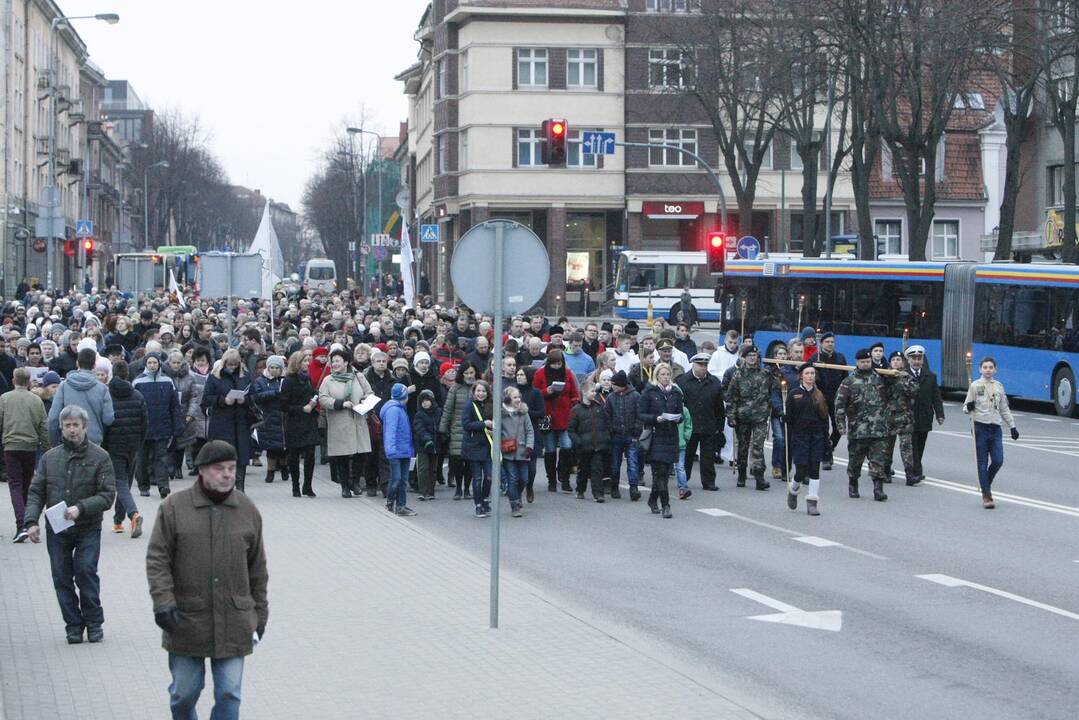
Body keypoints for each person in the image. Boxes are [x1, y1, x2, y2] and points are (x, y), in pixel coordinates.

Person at [145, 440, 268, 720]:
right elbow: (157, 560)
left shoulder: (246, 510)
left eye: (232, 468)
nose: (227, 474)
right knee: (184, 693)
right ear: (201, 470)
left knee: (229, 693)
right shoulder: (174, 507)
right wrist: (163, 601)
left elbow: (258, 569)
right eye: (219, 469)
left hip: (234, 619)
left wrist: (260, 614)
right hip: (186, 618)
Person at [22, 405, 116, 643]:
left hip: (88, 527)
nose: (72, 430)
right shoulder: (49, 458)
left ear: (85, 427)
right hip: (58, 530)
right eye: (67, 426)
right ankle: (73, 625)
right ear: (61, 428)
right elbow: (35, 492)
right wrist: (31, 521)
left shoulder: (100, 457)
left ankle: (94, 622)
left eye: (76, 425)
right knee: (61, 578)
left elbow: (107, 495)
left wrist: (80, 508)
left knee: (85, 571)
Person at [1, 368, 50, 542]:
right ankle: (27, 522)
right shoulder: (36, 400)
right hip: (30, 447)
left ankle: (21, 525)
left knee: (14, 484)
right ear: (29, 382)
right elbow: (44, 427)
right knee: (26, 485)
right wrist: (46, 451)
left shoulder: (5, 399)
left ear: (13, 380)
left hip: (11, 446)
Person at [835, 348, 890, 502]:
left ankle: (878, 489)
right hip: (858, 429)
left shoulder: (880, 378)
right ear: (857, 363)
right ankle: (853, 483)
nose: (866, 364)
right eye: (862, 362)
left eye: (868, 361)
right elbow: (839, 404)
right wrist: (841, 425)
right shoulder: (849, 382)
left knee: (878, 460)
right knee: (855, 460)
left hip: (878, 429)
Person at [963, 357, 1018, 509]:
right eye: (985, 367)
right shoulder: (974, 385)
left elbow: (1004, 408)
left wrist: (1012, 426)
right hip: (980, 426)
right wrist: (969, 406)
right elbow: (966, 408)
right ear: (980, 369)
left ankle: (986, 482)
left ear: (995, 370)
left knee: (998, 460)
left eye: (990, 367)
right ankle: (987, 495)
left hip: (995, 428)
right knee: (982, 462)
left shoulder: (998, 386)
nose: (988, 370)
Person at [318, 348, 374, 498]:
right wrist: (340, 403)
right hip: (339, 422)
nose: (334, 364)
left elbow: (369, 393)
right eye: (333, 361)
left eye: (338, 361)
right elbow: (323, 399)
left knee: (360, 454)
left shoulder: (358, 376)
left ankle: (354, 482)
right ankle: (344, 486)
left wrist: (364, 401)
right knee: (341, 455)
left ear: (346, 362)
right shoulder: (328, 380)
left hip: (358, 420)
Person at [201, 349, 254, 493]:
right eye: (230, 364)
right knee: (223, 454)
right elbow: (206, 399)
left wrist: (245, 399)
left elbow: (254, 396)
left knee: (241, 455)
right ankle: (222, 486)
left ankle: (240, 486)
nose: (232, 367)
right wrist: (223, 400)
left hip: (241, 421)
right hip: (221, 422)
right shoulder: (214, 377)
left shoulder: (245, 376)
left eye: (235, 364)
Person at [133, 351, 184, 498]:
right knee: (142, 458)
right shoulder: (138, 382)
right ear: (145, 364)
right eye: (149, 362)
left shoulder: (168, 381)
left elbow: (174, 405)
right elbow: (135, 406)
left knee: (161, 457)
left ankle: (163, 486)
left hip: (163, 425)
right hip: (144, 428)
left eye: (155, 362)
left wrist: (177, 424)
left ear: (159, 364)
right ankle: (144, 485)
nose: (152, 365)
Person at [105, 361, 146, 537]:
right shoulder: (137, 395)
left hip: (114, 445)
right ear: (127, 374)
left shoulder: (107, 394)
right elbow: (145, 422)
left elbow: (105, 421)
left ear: (112, 374)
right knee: (126, 483)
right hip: (133, 445)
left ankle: (133, 514)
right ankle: (118, 521)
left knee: (119, 482)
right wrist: (139, 443)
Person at [725, 345, 773, 490]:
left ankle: (759, 477)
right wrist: (731, 416)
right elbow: (731, 397)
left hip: (760, 417)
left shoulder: (765, 374)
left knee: (758, 447)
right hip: (743, 416)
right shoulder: (738, 375)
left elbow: (771, 392)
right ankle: (741, 475)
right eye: (750, 355)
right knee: (743, 447)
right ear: (744, 358)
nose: (752, 358)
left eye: (755, 355)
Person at [784, 363, 830, 516]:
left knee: (814, 470)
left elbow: (824, 419)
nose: (810, 376)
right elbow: (789, 419)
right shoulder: (794, 394)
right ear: (801, 376)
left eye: (812, 373)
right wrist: (785, 420)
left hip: (816, 437)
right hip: (800, 437)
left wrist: (826, 441)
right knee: (801, 471)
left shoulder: (820, 395)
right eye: (807, 373)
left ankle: (812, 503)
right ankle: (794, 489)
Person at [676, 353, 725, 492]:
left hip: (708, 424)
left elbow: (719, 407)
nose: (703, 368)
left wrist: (719, 427)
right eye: (700, 365)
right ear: (693, 364)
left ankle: (709, 482)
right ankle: (684, 480)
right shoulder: (683, 381)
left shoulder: (714, 382)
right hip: (689, 426)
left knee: (708, 456)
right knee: (687, 455)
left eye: (705, 365)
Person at [638, 363, 682, 518]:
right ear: (657, 376)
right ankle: (666, 505)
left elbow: (680, 413)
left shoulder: (676, 392)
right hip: (656, 435)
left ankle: (652, 499)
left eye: (668, 374)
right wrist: (655, 418)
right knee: (660, 472)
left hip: (671, 436)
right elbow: (641, 414)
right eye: (663, 374)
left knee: (662, 474)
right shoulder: (650, 392)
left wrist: (678, 418)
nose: (666, 377)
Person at [533, 348, 580, 493]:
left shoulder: (567, 374)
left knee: (566, 446)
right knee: (550, 449)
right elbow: (535, 393)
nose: (556, 366)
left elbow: (575, 394)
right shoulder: (540, 373)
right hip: (548, 415)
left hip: (565, 415)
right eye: (553, 364)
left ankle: (564, 478)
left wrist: (573, 404)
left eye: (559, 363)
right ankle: (551, 480)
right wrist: (546, 392)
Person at [47, 348, 115, 446]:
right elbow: (108, 419)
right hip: (93, 441)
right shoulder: (103, 389)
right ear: (94, 365)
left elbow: (53, 418)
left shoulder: (64, 386)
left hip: (69, 439)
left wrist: (53, 443)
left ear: (77, 363)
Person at [281, 351, 320, 497]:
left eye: (307, 361)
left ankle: (307, 485)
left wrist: (314, 400)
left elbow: (311, 393)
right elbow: (284, 405)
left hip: (309, 421)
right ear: (297, 363)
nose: (307, 363)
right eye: (304, 361)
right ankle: (295, 486)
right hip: (294, 422)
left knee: (310, 454)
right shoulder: (288, 380)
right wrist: (301, 408)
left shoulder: (307, 378)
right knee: (294, 456)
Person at [807, 332, 848, 470]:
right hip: (821, 399)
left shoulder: (840, 358)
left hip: (837, 398)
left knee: (838, 428)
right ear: (822, 343)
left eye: (832, 342)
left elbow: (845, 378)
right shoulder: (815, 358)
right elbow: (810, 377)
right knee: (823, 429)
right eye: (827, 342)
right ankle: (826, 457)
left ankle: (830, 446)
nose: (830, 344)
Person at [905, 345, 945, 484]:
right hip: (908, 417)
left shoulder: (930, 376)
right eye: (914, 358)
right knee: (912, 445)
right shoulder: (902, 375)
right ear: (908, 360)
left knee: (921, 443)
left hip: (924, 416)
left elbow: (936, 397)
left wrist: (940, 414)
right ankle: (915, 471)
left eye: (919, 358)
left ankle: (916, 469)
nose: (916, 361)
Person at [567, 383, 610, 502]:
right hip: (584, 446)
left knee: (597, 469)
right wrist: (578, 441)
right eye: (592, 391)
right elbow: (571, 430)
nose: (594, 393)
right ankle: (580, 489)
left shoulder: (598, 407)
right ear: (584, 393)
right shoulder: (576, 410)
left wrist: (605, 438)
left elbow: (605, 424)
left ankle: (598, 493)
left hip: (598, 445)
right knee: (583, 469)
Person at [440, 363, 476, 500]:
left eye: (471, 373)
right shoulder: (455, 388)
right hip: (457, 428)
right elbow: (448, 409)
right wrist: (443, 427)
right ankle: (458, 488)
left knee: (470, 462)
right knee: (457, 460)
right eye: (466, 373)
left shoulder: (479, 388)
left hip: (474, 429)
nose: (469, 376)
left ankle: (467, 488)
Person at [883, 351, 919, 485]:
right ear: (890, 363)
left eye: (898, 360)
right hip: (889, 417)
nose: (896, 362)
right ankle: (886, 472)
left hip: (905, 418)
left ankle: (910, 475)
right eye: (893, 360)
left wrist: (900, 380)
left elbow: (914, 390)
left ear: (903, 362)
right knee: (887, 447)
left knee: (906, 448)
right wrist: (890, 378)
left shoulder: (907, 376)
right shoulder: (884, 376)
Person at [604, 370, 641, 501]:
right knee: (615, 464)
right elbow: (607, 416)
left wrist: (637, 430)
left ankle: (633, 487)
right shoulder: (611, 398)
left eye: (613, 384)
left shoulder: (635, 396)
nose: (611, 386)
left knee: (633, 462)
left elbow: (639, 414)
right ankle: (614, 487)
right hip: (616, 436)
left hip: (631, 435)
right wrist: (611, 430)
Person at [380, 383, 417, 515]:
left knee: (402, 480)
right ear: (404, 396)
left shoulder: (399, 408)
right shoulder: (394, 410)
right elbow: (390, 432)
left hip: (403, 450)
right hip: (396, 451)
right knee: (397, 479)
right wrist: (391, 450)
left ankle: (400, 505)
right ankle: (391, 504)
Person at [252, 355, 289, 486]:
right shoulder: (260, 381)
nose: (274, 370)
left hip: (283, 416)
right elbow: (257, 396)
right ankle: (270, 471)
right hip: (268, 417)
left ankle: (284, 467)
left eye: (277, 368)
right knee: (271, 448)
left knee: (284, 447)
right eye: (271, 367)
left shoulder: (284, 380)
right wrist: (274, 394)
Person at [708, 330, 741, 465]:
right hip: (722, 391)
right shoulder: (717, 354)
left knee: (733, 425)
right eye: (730, 342)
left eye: (735, 343)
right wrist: (726, 376)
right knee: (721, 424)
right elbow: (712, 372)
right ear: (725, 341)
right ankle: (718, 451)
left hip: (736, 393)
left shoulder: (740, 355)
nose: (732, 345)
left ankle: (733, 455)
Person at [500, 386, 534, 517]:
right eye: (515, 397)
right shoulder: (502, 414)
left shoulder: (523, 413)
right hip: (508, 452)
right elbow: (497, 432)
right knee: (513, 478)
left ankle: (517, 495)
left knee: (524, 479)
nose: (518, 399)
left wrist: (529, 446)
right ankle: (514, 505)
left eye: (519, 397)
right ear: (508, 399)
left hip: (522, 451)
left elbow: (529, 430)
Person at [462, 380, 494, 518]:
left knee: (489, 476)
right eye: (478, 391)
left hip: (487, 446)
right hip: (473, 446)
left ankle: (485, 499)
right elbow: (466, 424)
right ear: (474, 392)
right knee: (477, 478)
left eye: (483, 391)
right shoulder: (469, 405)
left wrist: (493, 428)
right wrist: (483, 424)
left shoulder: (490, 405)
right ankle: (478, 505)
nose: (481, 394)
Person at [516, 366, 545, 503]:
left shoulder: (536, 393)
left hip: (532, 432)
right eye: (518, 374)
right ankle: (518, 493)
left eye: (522, 375)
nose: (519, 377)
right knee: (519, 468)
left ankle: (530, 487)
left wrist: (525, 412)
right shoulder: (512, 392)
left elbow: (541, 413)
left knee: (531, 469)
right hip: (515, 433)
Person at [412, 389, 442, 501]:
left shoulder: (438, 412)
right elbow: (419, 429)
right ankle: (422, 491)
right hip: (423, 446)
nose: (425, 403)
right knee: (423, 469)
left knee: (433, 469)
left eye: (427, 400)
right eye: (423, 401)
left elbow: (441, 426)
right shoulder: (419, 414)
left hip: (435, 445)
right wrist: (427, 439)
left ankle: (431, 491)